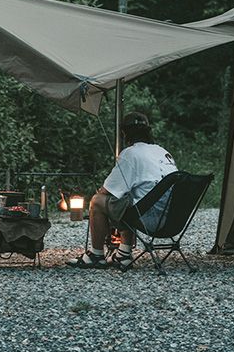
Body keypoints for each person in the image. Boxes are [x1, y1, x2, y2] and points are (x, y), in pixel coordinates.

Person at [69, 111, 177, 270]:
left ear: (124, 133)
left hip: (150, 220)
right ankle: (124, 254)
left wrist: (102, 191)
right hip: (173, 219)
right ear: (148, 131)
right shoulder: (163, 152)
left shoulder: (130, 153)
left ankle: (96, 255)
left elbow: (107, 191)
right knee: (128, 197)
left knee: (97, 201)